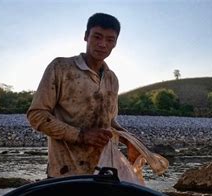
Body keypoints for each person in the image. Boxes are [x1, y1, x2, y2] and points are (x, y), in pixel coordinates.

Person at [27, 12, 140, 178]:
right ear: (86, 36)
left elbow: (109, 122)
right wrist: (81, 135)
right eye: (97, 37)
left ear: (115, 44)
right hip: (65, 172)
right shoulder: (60, 67)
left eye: (110, 40)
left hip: (102, 172)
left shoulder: (111, 79)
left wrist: (130, 140)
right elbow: (37, 115)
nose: (102, 44)